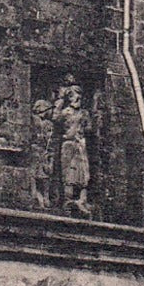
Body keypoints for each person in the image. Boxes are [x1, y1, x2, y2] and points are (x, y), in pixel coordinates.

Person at [52, 76, 92, 216]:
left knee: (83, 174)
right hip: (68, 145)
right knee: (68, 173)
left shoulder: (84, 113)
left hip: (80, 144)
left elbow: (89, 128)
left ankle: (82, 200)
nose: (77, 98)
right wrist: (60, 99)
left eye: (79, 95)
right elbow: (55, 118)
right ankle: (67, 200)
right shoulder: (66, 112)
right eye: (74, 95)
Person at [30, 98, 54, 209]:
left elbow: (49, 138)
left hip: (44, 150)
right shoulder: (34, 119)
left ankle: (45, 196)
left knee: (45, 174)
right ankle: (35, 194)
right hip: (35, 149)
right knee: (34, 173)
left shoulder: (47, 123)